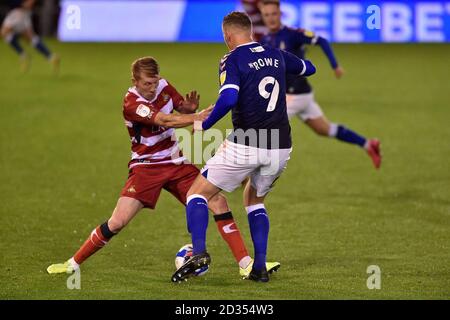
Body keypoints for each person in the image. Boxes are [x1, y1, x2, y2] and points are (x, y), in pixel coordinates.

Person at [46, 56, 279, 278]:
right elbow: (164, 120)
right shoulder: (132, 103)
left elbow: (179, 108)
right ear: (135, 82)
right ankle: (72, 264)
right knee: (118, 221)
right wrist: (198, 117)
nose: (152, 87)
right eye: (147, 83)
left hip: (175, 162)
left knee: (218, 202)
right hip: (146, 168)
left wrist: (188, 108)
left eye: (154, 81)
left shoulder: (163, 86)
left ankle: (246, 265)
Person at [171, 12, 316, 283]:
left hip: (247, 143)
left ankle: (198, 252)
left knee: (197, 195)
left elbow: (228, 98)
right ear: (249, 32)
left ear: (228, 36)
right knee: (254, 200)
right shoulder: (276, 54)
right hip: (281, 145)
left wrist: (204, 124)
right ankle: (258, 267)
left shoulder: (232, 58)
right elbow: (309, 69)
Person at [259, 0, 381, 169]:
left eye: (274, 14)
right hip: (301, 95)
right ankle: (368, 144)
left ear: (280, 14)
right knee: (325, 129)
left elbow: (322, 40)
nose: (271, 18)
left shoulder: (293, 34)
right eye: (266, 15)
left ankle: (244, 175)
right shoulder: (265, 39)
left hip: (294, 96)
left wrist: (335, 66)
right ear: (262, 17)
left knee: (265, 128)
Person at [1, 0, 59, 73]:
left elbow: (27, 3)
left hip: (18, 12)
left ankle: (23, 55)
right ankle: (51, 57)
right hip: (21, 12)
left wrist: (27, 4)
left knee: (4, 33)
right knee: (30, 38)